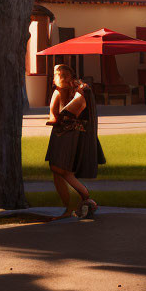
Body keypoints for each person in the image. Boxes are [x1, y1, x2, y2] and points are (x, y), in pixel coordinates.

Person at [45, 63, 106, 219]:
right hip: (65, 134)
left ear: (70, 77)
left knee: (62, 170)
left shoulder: (74, 91)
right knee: (57, 170)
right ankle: (69, 207)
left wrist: (57, 116)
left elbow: (60, 115)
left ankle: (86, 198)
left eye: (63, 75)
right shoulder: (69, 91)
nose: (59, 78)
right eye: (58, 75)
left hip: (69, 136)